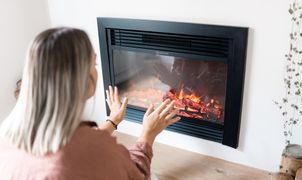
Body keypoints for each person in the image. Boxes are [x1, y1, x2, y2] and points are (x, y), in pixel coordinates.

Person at [0, 27, 180, 180]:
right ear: (82, 79)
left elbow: (72, 145)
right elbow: (137, 175)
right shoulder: (97, 150)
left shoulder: (7, 138)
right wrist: (147, 133)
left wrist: (113, 121)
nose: (96, 70)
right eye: (94, 63)